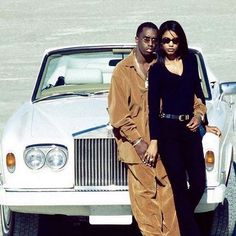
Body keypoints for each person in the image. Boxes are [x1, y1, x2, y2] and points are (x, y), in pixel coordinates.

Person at [108, 22, 206, 236]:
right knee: (146, 203)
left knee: (170, 199)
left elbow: (189, 96)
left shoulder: (161, 65)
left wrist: (201, 117)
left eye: (155, 40)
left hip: (162, 142)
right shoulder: (122, 72)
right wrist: (138, 142)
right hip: (137, 149)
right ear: (137, 40)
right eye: (147, 39)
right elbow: (118, 115)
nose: (151, 44)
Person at [147, 20, 207, 236]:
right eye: (165, 41)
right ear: (160, 44)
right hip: (168, 132)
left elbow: (199, 94)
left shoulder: (190, 61)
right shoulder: (156, 70)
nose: (170, 44)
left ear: (181, 40)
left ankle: (176, 222)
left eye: (175, 40)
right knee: (180, 188)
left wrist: (200, 116)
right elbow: (152, 109)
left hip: (190, 130)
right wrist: (154, 141)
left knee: (199, 184)